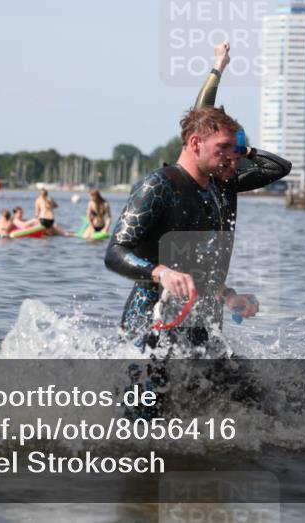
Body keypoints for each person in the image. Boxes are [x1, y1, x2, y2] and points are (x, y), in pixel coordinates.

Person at [104, 42, 292, 353]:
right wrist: (218, 68)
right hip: (150, 324)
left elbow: (279, 167)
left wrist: (229, 295)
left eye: (236, 154)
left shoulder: (220, 191)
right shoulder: (161, 186)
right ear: (196, 144)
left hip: (201, 322)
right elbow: (115, 253)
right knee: (148, 400)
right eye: (224, 151)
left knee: (247, 397)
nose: (231, 161)